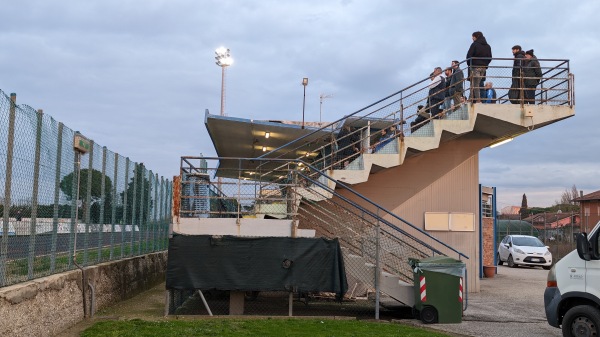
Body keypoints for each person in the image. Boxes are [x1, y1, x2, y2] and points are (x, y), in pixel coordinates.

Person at [466, 31, 492, 103]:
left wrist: (470, 64)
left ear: (476, 36)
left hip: (475, 67)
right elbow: (490, 57)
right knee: (477, 83)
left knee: (475, 84)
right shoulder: (488, 46)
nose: (472, 38)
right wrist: (485, 64)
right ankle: (471, 98)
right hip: (483, 68)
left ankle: (477, 100)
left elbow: (469, 55)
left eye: (473, 36)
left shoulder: (474, 44)